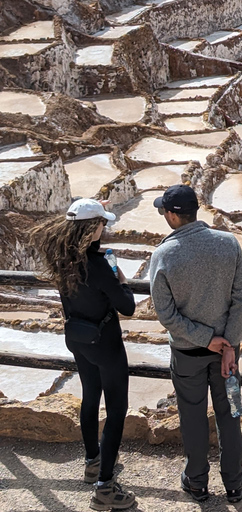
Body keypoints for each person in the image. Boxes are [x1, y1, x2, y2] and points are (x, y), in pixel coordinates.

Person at [31, 199, 136, 511]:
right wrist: (120, 275)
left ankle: (92, 462)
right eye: (102, 222)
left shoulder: (62, 257)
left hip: (78, 340)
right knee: (117, 409)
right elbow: (127, 306)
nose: (105, 226)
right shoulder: (102, 265)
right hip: (106, 344)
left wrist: (93, 210)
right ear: (92, 228)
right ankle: (105, 488)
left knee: (91, 397)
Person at [148, 185, 242, 503]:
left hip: (187, 353)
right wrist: (226, 344)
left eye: (164, 211)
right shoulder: (228, 243)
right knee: (230, 413)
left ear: (173, 215)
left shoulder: (164, 255)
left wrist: (206, 339)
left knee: (192, 417)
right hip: (227, 356)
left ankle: (197, 482)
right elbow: (241, 297)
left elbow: (166, 315)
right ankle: (234, 484)